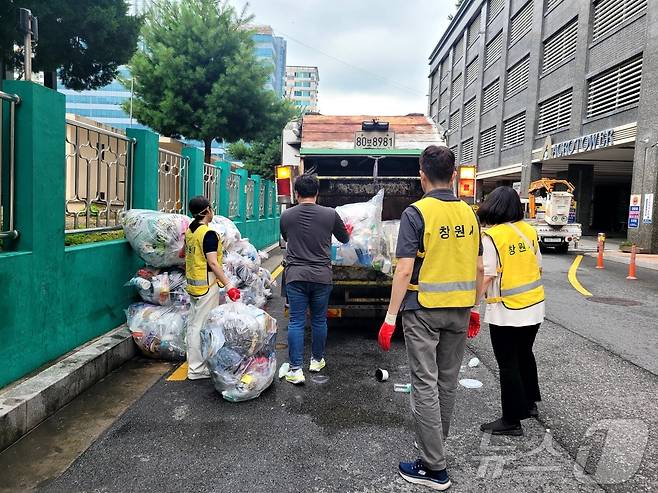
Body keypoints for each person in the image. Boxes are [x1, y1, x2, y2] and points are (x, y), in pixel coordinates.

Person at [378, 145, 483, 491]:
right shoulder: (471, 214)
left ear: (421, 175)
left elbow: (404, 268)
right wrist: (476, 308)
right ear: (453, 176)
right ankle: (433, 445)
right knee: (446, 382)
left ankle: (434, 467)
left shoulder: (416, 212)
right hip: (460, 308)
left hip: (422, 308)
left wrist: (390, 317)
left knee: (424, 382)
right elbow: (481, 266)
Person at [476, 186, 545, 436]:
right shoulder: (529, 231)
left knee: (507, 362)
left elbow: (488, 274)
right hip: (535, 306)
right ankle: (529, 403)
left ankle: (511, 420)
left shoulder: (493, 236)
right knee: (525, 353)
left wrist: (473, 305)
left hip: (507, 310)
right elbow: (538, 267)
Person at [280, 173, 351, 385]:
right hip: (321, 276)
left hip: (295, 276)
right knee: (319, 319)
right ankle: (317, 360)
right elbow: (345, 238)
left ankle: (295, 369)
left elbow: (286, 238)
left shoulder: (287, 216)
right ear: (317, 193)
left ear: (296, 193)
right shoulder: (330, 214)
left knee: (296, 321)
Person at [184, 196, 240, 380]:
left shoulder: (190, 230)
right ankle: (196, 369)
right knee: (201, 326)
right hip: (206, 285)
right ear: (208, 210)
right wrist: (229, 285)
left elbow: (181, 253)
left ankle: (197, 364)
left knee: (194, 324)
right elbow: (214, 264)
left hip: (193, 284)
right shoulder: (208, 234)